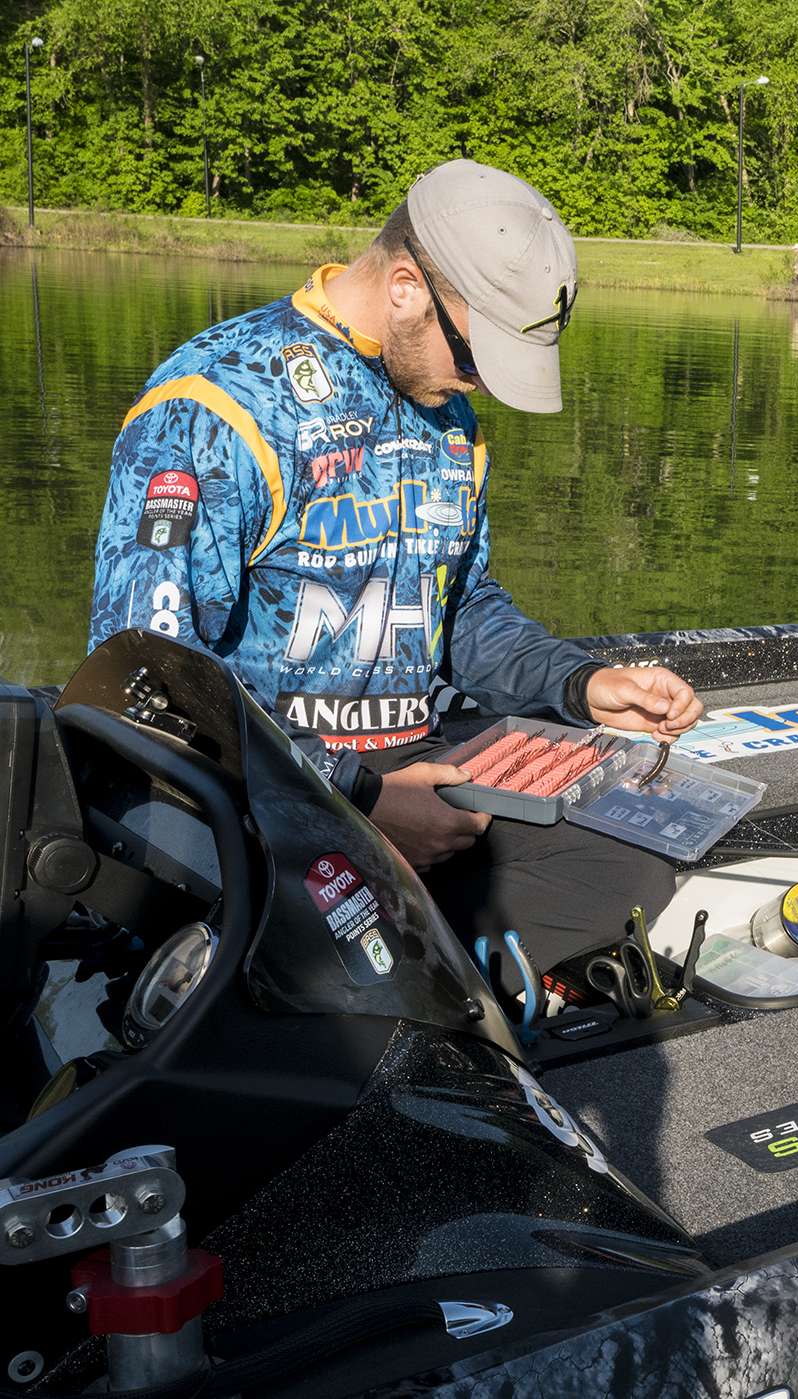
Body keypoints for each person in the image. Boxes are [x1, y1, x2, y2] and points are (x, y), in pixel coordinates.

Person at [88, 159, 704, 985]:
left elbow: (463, 607)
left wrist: (581, 682)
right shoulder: (215, 403)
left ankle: (392, 965)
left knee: (639, 853)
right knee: (338, 908)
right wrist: (362, 801)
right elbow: (145, 673)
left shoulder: (449, 412)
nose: (479, 383)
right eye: (475, 357)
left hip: (421, 767)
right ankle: (395, 965)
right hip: (266, 789)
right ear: (407, 287)